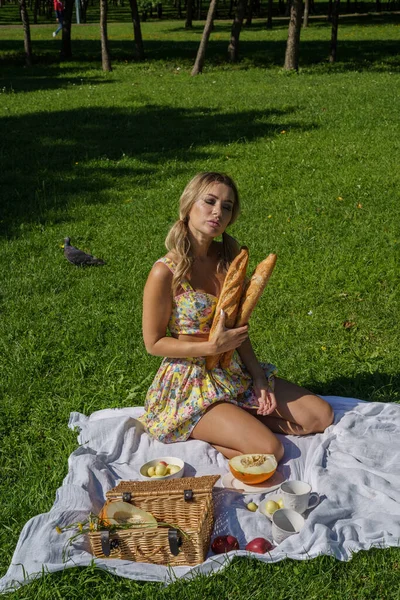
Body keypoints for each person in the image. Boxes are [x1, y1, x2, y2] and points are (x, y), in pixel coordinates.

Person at [139, 172, 334, 463]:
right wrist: (211, 347)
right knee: (270, 451)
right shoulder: (165, 271)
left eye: (227, 206)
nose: (218, 211)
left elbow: (238, 328)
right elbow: (153, 343)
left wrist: (259, 378)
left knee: (320, 417)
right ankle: (197, 427)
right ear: (188, 205)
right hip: (190, 381)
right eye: (209, 201)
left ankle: (236, 418)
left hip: (232, 371)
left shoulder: (229, 259)